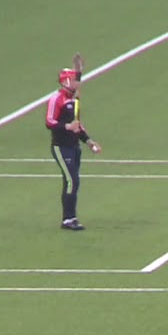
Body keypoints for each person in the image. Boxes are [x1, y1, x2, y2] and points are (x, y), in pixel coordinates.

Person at [45, 68, 102, 231]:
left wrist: (89, 141)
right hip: (61, 147)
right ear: (67, 81)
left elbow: (78, 125)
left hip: (74, 147)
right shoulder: (57, 99)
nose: (77, 83)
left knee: (72, 182)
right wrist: (67, 126)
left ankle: (70, 217)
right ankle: (68, 219)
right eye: (74, 80)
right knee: (72, 180)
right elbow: (49, 122)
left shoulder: (73, 100)